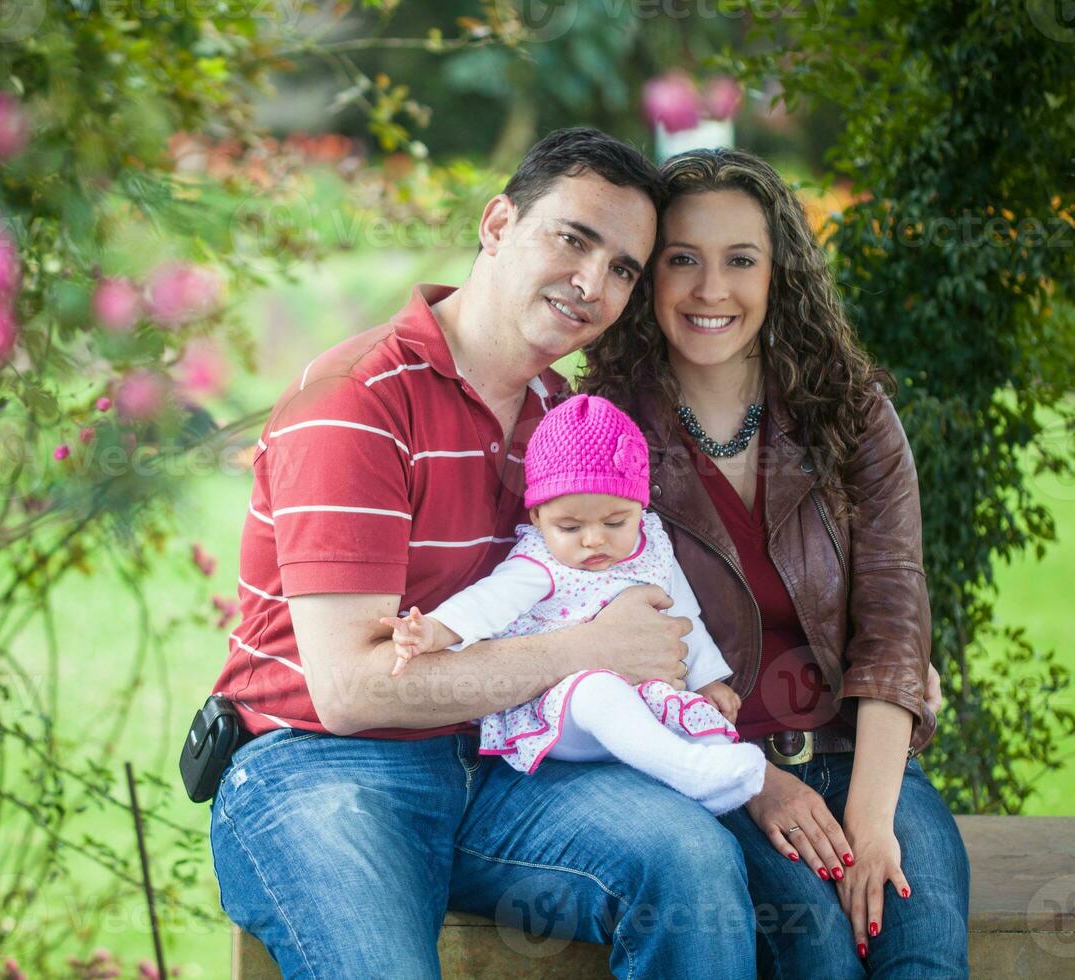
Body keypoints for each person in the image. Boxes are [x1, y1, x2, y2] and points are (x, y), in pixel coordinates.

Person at [205, 129, 760, 978]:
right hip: (319, 763)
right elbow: (352, 692)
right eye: (575, 239)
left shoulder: (564, 423)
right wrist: (585, 653)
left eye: (623, 270)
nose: (593, 284)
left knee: (690, 864)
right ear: (498, 223)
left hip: (505, 755)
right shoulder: (355, 402)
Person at [583, 147, 970, 977]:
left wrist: (871, 822)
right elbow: (594, 640)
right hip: (714, 778)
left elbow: (894, 625)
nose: (710, 289)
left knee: (923, 956)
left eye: (740, 261)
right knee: (822, 958)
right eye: (682, 259)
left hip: (858, 756)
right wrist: (750, 780)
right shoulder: (604, 434)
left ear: (779, 274)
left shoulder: (853, 415)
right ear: (649, 277)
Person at [379, 392, 767, 813]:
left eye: (615, 521)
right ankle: (684, 770)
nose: (593, 539)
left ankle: (715, 780)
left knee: (699, 714)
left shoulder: (653, 545)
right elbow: (486, 603)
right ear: (537, 518)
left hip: (647, 698)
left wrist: (707, 679)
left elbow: (684, 618)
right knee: (596, 689)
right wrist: (432, 631)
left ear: (640, 506)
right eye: (569, 525)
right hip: (566, 712)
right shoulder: (540, 562)